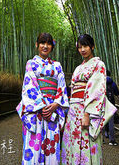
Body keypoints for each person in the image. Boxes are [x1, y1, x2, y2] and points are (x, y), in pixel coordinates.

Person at [62, 34, 116, 164]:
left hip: (87, 109)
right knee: (72, 142)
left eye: (85, 46)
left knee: (87, 141)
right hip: (73, 110)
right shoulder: (78, 68)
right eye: (80, 47)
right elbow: (73, 88)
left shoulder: (99, 64)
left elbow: (96, 90)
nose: (82, 50)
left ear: (92, 46)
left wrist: (87, 113)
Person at [17, 33, 69, 165]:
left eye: (48, 43)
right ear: (37, 45)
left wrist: (56, 104)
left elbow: (62, 87)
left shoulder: (57, 65)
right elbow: (29, 86)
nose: (45, 46)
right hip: (36, 112)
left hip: (53, 110)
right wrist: (43, 106)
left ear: (52, 46)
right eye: (42, 43)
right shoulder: (31, 64)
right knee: (34, 148)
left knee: (51, 148)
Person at [103, 70, 119, 146]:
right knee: (111, 123)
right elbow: (117, 93)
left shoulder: (101, 82)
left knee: (101, 122)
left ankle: (102, 139)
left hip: (102, 104)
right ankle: (112, 140)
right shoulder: (112, 83)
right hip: (111, 104)